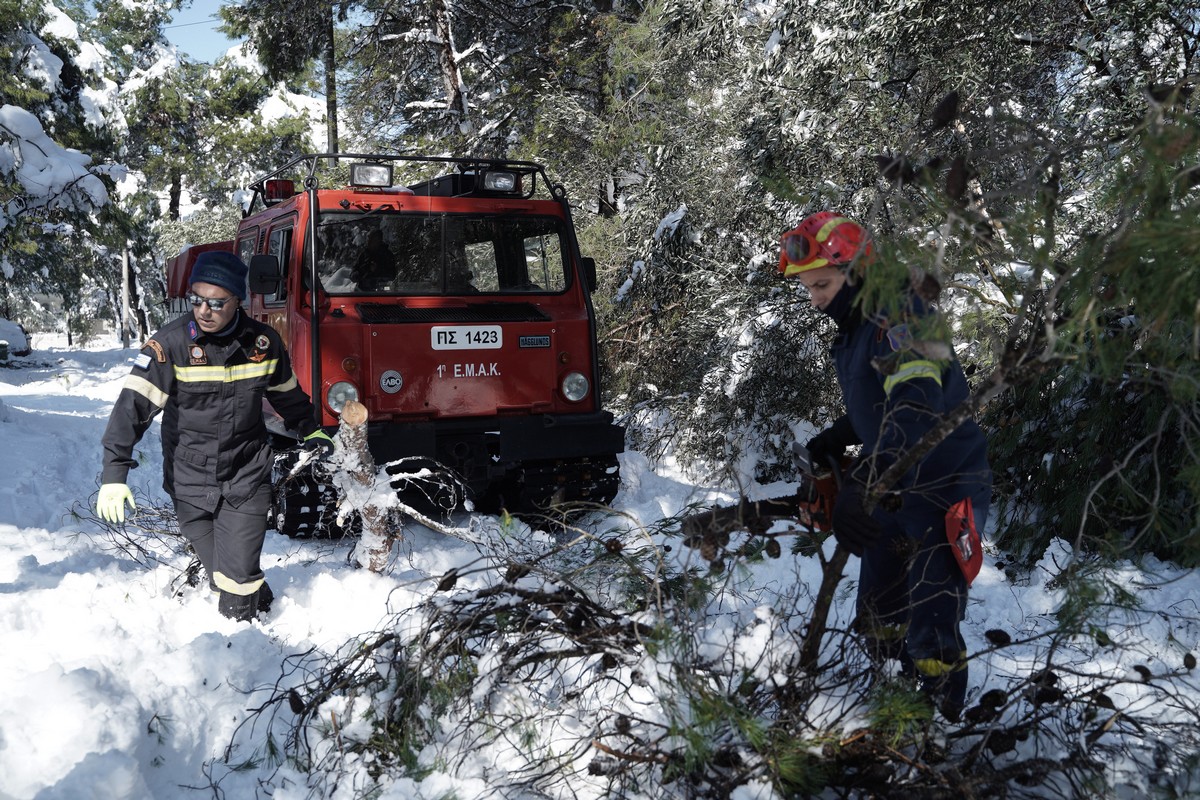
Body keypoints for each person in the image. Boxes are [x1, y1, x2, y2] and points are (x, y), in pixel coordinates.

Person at [779, 211, 992, 721]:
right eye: (809, 288)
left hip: (944, 486)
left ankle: (940, 730)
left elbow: (915, 405)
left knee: (930, 629)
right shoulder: (855, 330)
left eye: (823, 284)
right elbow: (879, 402)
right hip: (893, 488)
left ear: (857, 273)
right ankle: (898, 713)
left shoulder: (905, 317)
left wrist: (860, 485)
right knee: (878, 619)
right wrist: (841, 433)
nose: (816, 299)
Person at [96, 251, 335, 622]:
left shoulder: (264, 344)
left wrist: (311, 429)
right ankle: (265, 606)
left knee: (237, 575)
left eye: (216, 302)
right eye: (196, 300)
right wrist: (114, 475)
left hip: (247, 472)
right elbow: (131, 410)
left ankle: (237, 646)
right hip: (189, 477)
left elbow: (287, 395)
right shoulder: (170, 345)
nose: (203, 311)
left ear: (238, 300)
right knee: (221, 572)